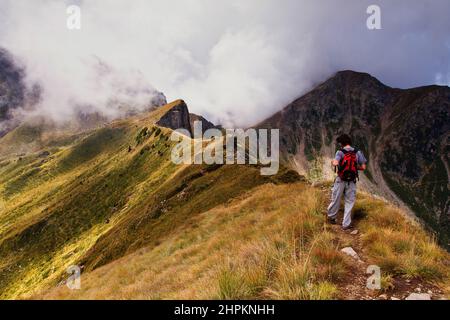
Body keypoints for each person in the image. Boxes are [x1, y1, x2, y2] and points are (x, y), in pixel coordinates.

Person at [327, 134, 367, 230]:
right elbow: (363, 167)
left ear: (342, 143)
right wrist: (353, 167)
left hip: (341, 179)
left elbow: (336, 163)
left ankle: (331, 217)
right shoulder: (357, 152)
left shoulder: (340, 152)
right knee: (349, 201)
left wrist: (333, 162)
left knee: (336, 198)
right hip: (351, 181)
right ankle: (346, 224)